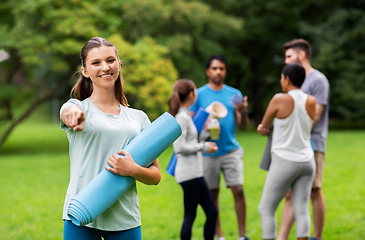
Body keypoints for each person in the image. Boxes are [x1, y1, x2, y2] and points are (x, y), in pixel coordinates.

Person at [60, 37, 161, 240]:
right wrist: (71, 114)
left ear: (119, 64)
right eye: (96, 63)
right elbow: (67, 111)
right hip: (80, 217)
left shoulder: (138, 118)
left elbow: (155, 175)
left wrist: (133, 170)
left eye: (110, 60)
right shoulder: (78, 108)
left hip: (125, 220)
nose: (105, 67)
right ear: (85, 71)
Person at [190, 54, 250, 240]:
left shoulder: (235, 94)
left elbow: (243, 126)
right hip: (208, 151)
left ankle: (242, 236)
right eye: (214, 68)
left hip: (231, 149)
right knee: (212, 194)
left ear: (225, 71)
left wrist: (243, 112)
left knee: (238, 189)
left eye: (221, 68)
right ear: (208, 71)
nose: (218, 72)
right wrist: (205, 125)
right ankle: (220, 237)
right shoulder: (198, 94)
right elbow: (191, 125)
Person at [257, 63, 317, 240]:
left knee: (266, 208)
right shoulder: (311, 101)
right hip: (307, 161)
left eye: (282, 78)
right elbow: (309, 126)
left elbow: (264, 126)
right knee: (302, 208)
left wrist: (263, 129)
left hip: (285, 160)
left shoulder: (279, 99)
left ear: (287, 79)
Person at [278, 39, 330, 240]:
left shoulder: (318, 80)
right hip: (293, 144)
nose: (286, 60)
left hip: (313, 143)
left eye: (289, 56)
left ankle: (316, 237)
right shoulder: (291, 79)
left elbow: (315, 116)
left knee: (315, 190)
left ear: (302, 56)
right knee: (289, 193)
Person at [168, 79, 218, 240]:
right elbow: (179, 148)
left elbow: (192, 141)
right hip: (189, 175)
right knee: (190, 216)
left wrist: (207, 133)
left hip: (195, 173)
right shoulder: (181, 117)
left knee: (212, 212)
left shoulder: (186, 115)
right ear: (191, 94)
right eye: (195, 91)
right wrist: (204, 147)